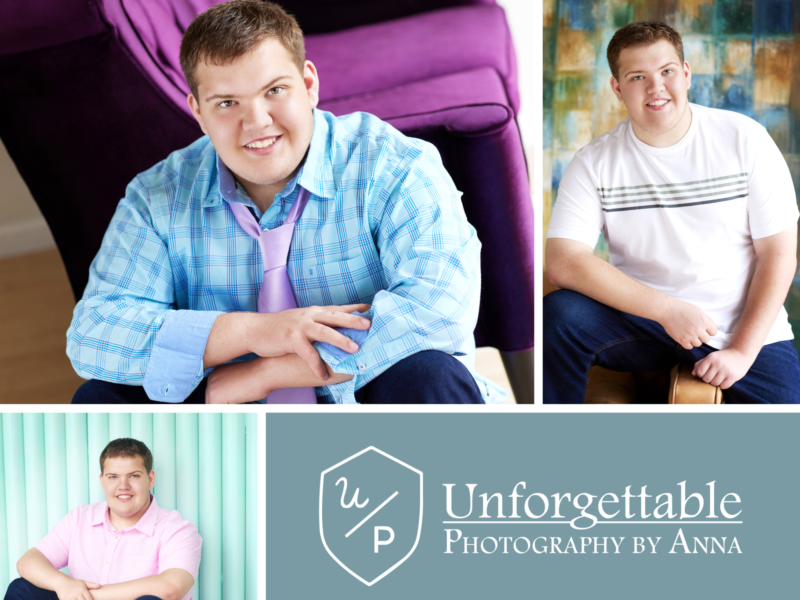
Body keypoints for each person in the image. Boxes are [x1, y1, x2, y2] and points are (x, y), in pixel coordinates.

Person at [67, 0, 498, 404]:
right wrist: (254, 332)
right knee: (100, 397)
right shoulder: (156, 195)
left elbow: (437, 315)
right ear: (197, 111)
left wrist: (263, 374)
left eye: (274, 90)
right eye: (227, 102)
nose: (256, 122)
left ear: (308, 84)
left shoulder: (395, 165)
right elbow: (93, 335)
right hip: (236, 428)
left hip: (364, 410)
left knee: (428, 373)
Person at [544, 21, 800, 404]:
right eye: (637, 77)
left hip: (737, 329)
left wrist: (741, 352)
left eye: (666, 72)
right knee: (560, 314)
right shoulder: (593, 162)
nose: (655, 88)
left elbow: (778, 255)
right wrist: (666, 310)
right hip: (644, 323)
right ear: (617, 88)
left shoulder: (745, 139)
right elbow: (562, 261)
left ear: (686, 73)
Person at [6, 439, 201, 600]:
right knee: (21, 588)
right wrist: (63, 584)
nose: (123, 486)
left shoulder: (178, 530)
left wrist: (85, 595)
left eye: (133, 476)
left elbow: (171, 589)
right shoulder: (81, 517)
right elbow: (28, 561)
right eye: (113, 477)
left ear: (150, 479)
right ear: (102, 480)